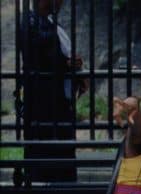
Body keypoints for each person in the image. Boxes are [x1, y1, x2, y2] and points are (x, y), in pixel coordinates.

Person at [20, 0, 88, 182]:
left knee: (61, 151)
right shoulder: (30, 21)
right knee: (47, 153)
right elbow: (37, 54)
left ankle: (63, 188)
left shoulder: (49, 22)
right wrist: (66, 64)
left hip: (58, 102)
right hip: (44, 103)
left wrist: (73, 68)